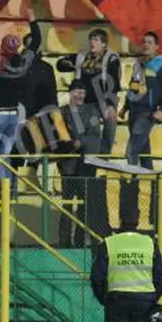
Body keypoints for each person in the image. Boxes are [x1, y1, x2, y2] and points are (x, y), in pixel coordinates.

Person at [0, 10, 41, 202]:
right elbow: (37, 41)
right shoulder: (24, 62)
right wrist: (32, 19)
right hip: (13, 117)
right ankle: (7, 188)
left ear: (3, 47)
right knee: (5, 155)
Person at [54, 81, 103, 248]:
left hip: (86, 167)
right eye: (76, 92)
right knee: (67, 204)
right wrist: (67, 146)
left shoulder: (92, 112)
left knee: (84, 205)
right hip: (67, 166)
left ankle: (80, 241)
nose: (80, 96)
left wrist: (81, 142)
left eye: (82, 92)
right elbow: (55, 138)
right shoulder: (61, 112)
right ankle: (64, 242)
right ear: (70, 93)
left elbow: (95, 136)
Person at [57, 29, 122, 155]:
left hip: (104, 101)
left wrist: (110, 105)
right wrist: (69, 65)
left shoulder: (111, 58)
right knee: (89, 131)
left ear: (104, 44)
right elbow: (59, 65)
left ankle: (104, 157)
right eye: (91, 39)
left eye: (96, 40)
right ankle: (89, 156)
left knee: (110, 126)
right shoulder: (82, 56)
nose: (92, 42)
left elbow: (114, 83)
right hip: (86, 102)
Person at [121, 32, 162, 170]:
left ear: (156, 46)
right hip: (134, 111)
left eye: (150, 42)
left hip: (147, 112)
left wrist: (161, 109)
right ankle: (151, 179)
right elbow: (133, 87)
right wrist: (125, 107)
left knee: (132, 149)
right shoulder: (138, 63)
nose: (146, 45)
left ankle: (131, 179)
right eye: (144, 42)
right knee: (144, 151)